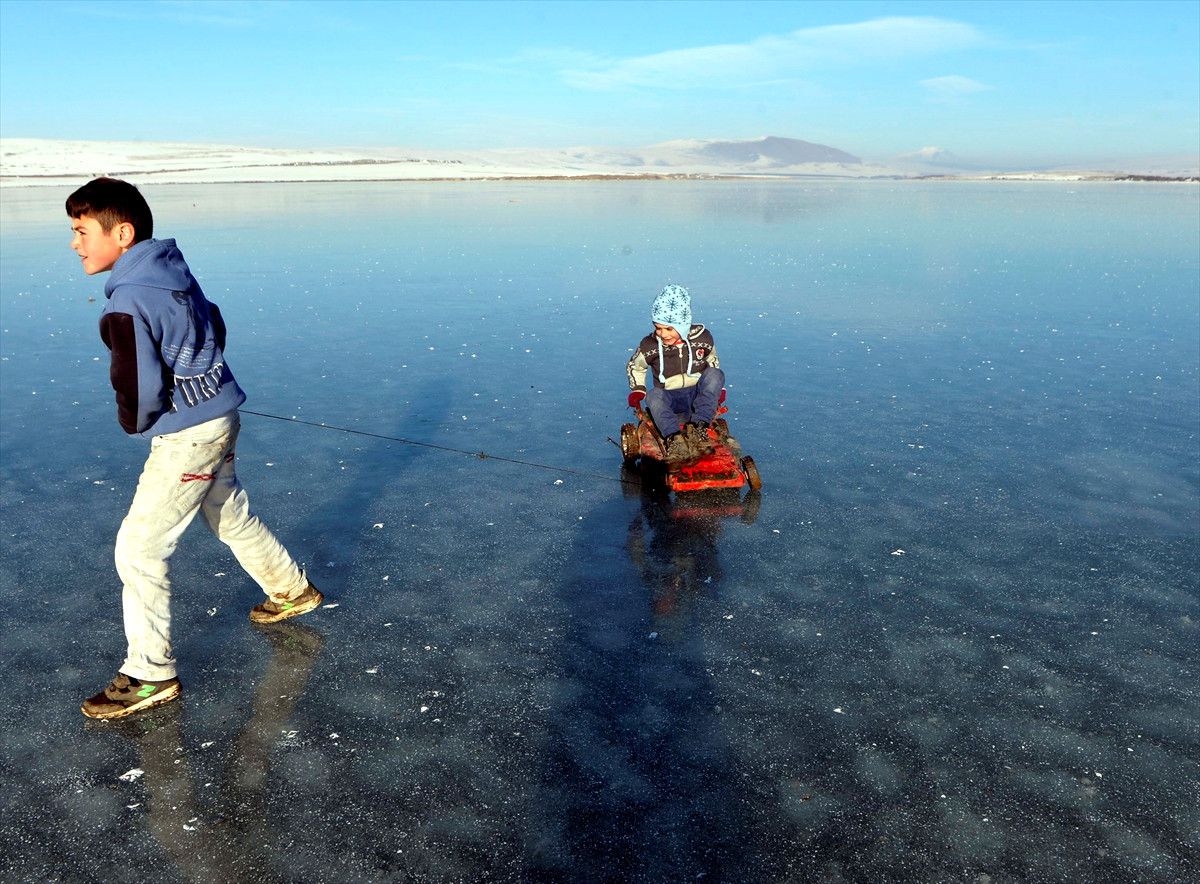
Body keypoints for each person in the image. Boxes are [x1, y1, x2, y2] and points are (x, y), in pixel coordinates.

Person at [66, 177, 322, 720]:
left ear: (123, 232)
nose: (76, 244)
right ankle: (290, 589)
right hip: (220, 412)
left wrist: (140, 424)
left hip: (189, 436)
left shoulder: (129, 301)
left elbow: (134, 382)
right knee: (226, 509)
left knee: (139, 548)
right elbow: (215, 321)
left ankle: (148, 673)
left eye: (82, 231)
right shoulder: (171, 273)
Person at [626, 284, 725, 461]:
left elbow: (712, 361)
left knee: (716, 375)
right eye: (658, 328)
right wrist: (638, 388)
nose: (663, 334)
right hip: (669, 398)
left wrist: (717, 389)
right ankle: (673, 437)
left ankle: (699, 426)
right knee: (653, 396)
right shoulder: (650, 346)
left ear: (683, 325)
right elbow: (636, 366)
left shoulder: (703, 339)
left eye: (669, 329)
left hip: (697, 396)